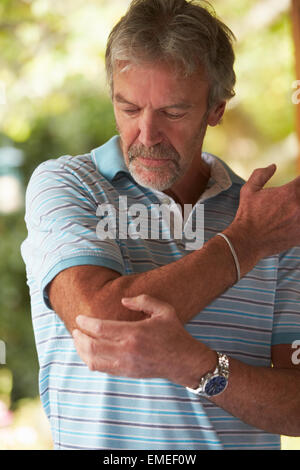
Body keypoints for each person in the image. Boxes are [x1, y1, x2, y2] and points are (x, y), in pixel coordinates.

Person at [21, 0, 300, 450]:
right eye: (129, 108)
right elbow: (101, 323)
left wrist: (200, 367)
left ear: (217, 108)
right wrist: (245, 244)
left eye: (172, 113)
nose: (147, 136)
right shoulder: (68, 184)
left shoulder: (273, 223)